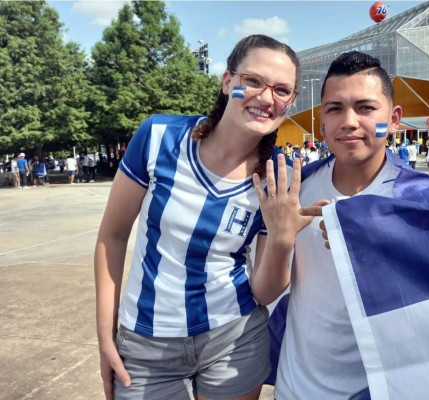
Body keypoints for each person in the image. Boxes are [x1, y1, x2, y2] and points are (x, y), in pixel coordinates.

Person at [259, 51, 429, 400]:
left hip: (378, 391)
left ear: (393, 119)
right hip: (293, 388)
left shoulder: (421, 203)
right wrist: (281, 239)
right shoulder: (293, 191)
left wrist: (375, 236)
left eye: (365, 108)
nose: (349, 121)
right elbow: (262, 290)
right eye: (335, 109)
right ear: (321, 123)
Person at [94, 34, 304, 400]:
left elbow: (264, 291)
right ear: (227, 82)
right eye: (253, 81)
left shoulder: (277, 176)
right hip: (146, 344)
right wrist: (104, 336)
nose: (266, 98)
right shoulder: (160, 136)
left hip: (234, 339)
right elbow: (112, 237)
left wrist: (283, 240)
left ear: (291, 101)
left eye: (281, 90)